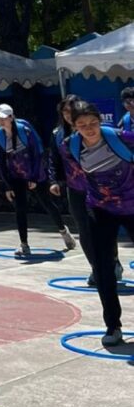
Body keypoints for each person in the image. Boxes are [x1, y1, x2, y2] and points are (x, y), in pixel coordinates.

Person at [67, 100, 134, 347]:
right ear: (73, 125)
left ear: (100, 121)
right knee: (102, 269)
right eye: (82, 125)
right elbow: (75, 178)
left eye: (93, 123)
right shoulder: (70, 145)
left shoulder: (121, 137)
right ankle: (113, 326)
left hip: (131, 205)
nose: (89, 128)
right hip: (100, 208)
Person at [48, 96, 118, 287]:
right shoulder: (59, 134)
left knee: (104, 227)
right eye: (65, 112)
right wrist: (54, 181)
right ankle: (96, 268)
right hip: (75, 188)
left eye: (72, 111)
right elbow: (54, 158)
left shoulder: (96, 132)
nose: (69, 115)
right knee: (84, 231)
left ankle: (113, 260)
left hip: (99, 187)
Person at [0, 104, 76, 256]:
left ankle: (63, 231)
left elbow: (38, 153)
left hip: (34, 172)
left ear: (11, 117)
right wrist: (7, 186)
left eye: (3, 118)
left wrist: (34, 177)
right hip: (16, 175)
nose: (1, 121)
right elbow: (1, 163)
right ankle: (24, 244)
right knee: (20, 208)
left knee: (47, 203)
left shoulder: (25, 131)